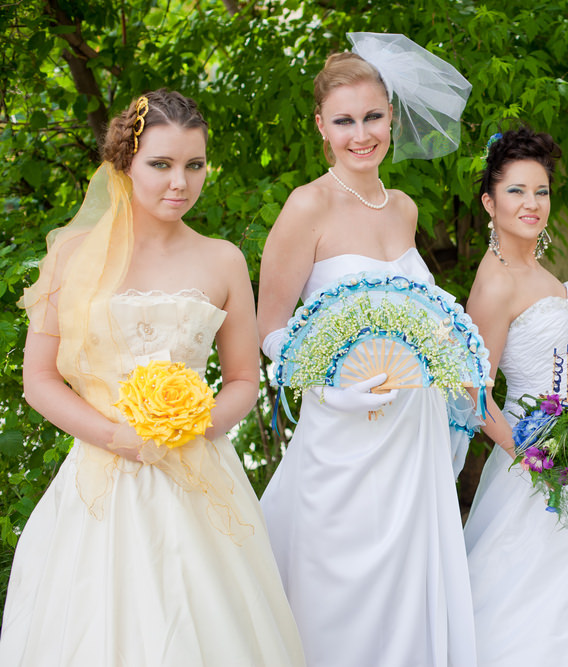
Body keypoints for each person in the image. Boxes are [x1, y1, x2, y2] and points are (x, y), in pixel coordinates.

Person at [0, 90, 305, 665]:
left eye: (195, 164)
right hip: (100, 474)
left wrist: (192, 428)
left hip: (197, 470)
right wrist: (119, 437)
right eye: (161, 164)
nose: (180, 183)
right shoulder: (73, 256)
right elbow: (38, 379)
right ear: (125, 163)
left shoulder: (223, 259)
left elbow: (243, 379)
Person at [256, 36, 476, 666]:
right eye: (344, 121)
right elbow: (269, 328)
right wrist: (329, 387)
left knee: (409, 585)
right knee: (339, 589)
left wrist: (453, 364)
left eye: (373, 117)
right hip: (344, 429)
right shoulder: (308, 206)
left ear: (393, 117)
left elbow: (423, 317)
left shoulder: (403, 208)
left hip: (415, 429)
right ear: (321, 126)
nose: (361, 135)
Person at [462, 125, 568, 666]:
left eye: (541, 191)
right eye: (516, 191)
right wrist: (531, 457)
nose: (532, 203)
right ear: (489, 202)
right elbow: (472, 393)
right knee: (535, 595)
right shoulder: (496, 282)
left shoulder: (535, 269)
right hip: (535, 457)